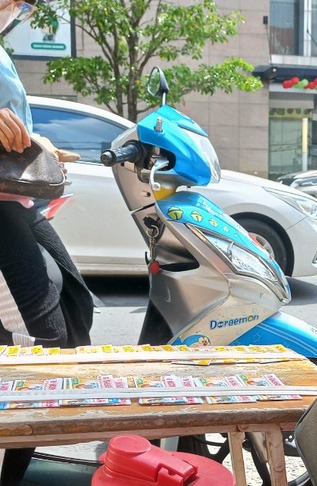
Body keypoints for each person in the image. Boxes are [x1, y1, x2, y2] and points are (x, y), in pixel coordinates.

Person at [1, 1, 93, 484]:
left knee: (77, 306)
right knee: (42, 339)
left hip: (18, 199)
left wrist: (41, 144)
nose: (15, 9)